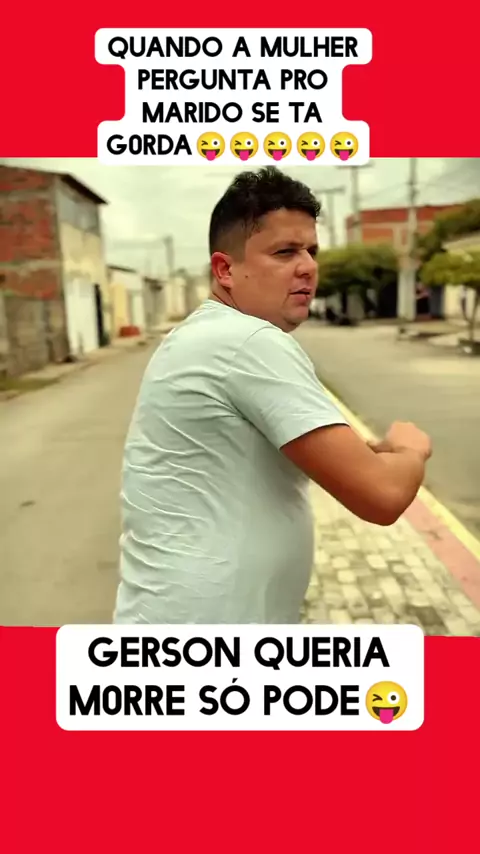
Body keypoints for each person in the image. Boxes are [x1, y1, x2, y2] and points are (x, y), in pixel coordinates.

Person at [113, 167, 432, 625]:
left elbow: (259, 447)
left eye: (311, 251)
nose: (308, 267)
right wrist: (410, 449)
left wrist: (362, 452)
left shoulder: (206, 335)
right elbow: (382, 496)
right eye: (285, 252)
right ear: (225, 270)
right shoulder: (247, 342)